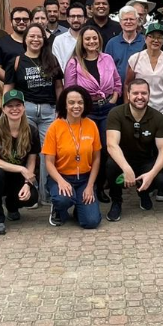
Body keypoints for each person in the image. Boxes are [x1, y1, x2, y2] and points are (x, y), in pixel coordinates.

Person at [64, 26, 122, 201]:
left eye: (94, 38)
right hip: (86, 111)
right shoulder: (74, 63)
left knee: (105, 149)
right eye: (88, 39)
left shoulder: (107, 59)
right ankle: (89, 186)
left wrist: (113, 99)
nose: (91, 42)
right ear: (82, 42)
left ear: (99, 40)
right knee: (88, 149)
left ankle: (101, 187)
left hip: (107, 109)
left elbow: (117, 82)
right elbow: (69, 90)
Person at [104, 78, 163, 221]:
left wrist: (152, 174)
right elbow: (112, 145)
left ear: (149, 95)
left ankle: (144, 193)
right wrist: (126, 168)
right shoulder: (116, 113)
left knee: (160, 178)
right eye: (135, 93)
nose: (140, 97)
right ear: (128, 95)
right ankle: (116, 201)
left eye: (144, 93)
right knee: (110, 165)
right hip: (122, 160)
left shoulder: (158, 117)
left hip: (145, 160)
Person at [0, 89, 40, 234]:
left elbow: (31, 161)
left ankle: (12, 206)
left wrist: (27, 183)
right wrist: (21, 169)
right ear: (3, 109)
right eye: (10, 106)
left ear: (24, 107)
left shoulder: (32, 130)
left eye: (18, 105)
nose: (14, 109)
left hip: (17, 178)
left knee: (32, 198)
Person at [43, 86, 102, 229]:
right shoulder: (55, 127)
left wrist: (90, 186)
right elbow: (49, 162)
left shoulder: (91, 125)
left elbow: (96, 159)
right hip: (61, 176)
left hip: (84, 179)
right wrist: (61, 182)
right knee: (63, 199)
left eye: (80, 102)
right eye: (71, 102)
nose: (76, 106)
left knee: (91, 222)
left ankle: (80, 208)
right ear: (65, 104)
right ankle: (58, 208)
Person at [125, 22, 163, 114]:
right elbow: (127, 85)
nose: (156, 40)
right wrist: (127, 108)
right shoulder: (135, 59)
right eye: (152, 36)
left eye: (159, 37)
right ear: (145, 38)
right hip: (140, 108)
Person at [104, 5, 145, 86]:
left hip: (141, 89)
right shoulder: (112, 43)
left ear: (137, 21)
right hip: (117, 90)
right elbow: (106, 69)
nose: (128, 22)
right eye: (125, 19)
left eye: (131, 19)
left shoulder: (145, 41)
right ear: (120, 22)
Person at [0, 6, 30, 82]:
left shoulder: (37, 43)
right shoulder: (0, 43)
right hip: (10, 87)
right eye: (17, 19)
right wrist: (12, 81)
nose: (21, 22)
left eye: (25, 19)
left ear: (30, 21)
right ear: (11, 22)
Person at [52, 2, 87, 71]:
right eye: (72, 16)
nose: (76, 20)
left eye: (79, 16)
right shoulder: (59, 40)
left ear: (85, 19)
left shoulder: (91, 40)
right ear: (67, 19)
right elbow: (57, 66)